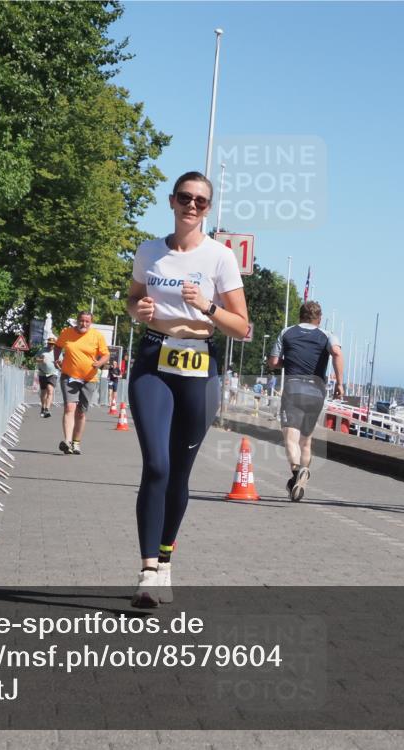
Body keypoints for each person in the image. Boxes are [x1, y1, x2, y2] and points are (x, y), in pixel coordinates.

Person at [126, 171, 249, 608]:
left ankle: (165, 560)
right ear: (172, 201)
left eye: (200, 201)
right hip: (153, 359)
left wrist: (208, 306)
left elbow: (242, 326)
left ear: (208, 209)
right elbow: (132, 298)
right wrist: (138, 310)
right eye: (185, 198)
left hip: (200, 365)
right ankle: (146, 572)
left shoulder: (220, 257)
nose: (191, 206)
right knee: (156, 464)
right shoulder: (149, 251)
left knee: (179, 471)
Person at [267, 301, 344, 502]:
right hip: (316, 392)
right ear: (319, 319)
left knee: (290, 438)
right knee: (306, 441)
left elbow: (273, 362)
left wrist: (289, 361)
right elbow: (336, 353)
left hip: (293, 389)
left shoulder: (287, 332)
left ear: (300, 316)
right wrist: (339, 384)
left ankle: (297, 473)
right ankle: (301, 479)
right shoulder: (327, 335)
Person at [55, 311, 109, 455]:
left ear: (91, 322)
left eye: (87, 321)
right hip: (69, 376)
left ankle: (76, 442)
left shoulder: (97, 336)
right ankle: (67, 441)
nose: (83, 324)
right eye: (81, 320)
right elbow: (58, 346)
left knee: (80, 412)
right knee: (69, 407)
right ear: (77, 321)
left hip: (89, 379)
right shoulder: (66, 332)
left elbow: (106, 354)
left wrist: (99, 363)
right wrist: (56, 359)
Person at [35, 336, 59, 418]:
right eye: (49, 344)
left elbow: (61, 361)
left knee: (50, 390)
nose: (51, 345)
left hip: (53, 373)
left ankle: (47, 409)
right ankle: (43, 407)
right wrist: (41, 360)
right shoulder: (42, 350)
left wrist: (59, 364)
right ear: (47, 344)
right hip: (42, 373)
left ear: (54, 345)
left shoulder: (57, 352)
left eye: (52, 344)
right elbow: (35, 359)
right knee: (43, 392)